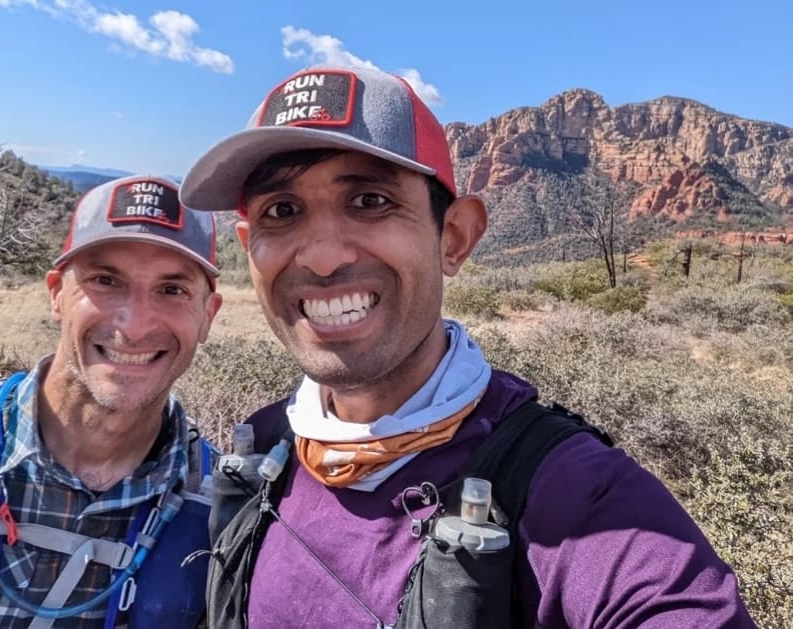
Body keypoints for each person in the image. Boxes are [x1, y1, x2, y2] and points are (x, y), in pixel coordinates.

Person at [180, 67, 756, 627]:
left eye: (370, 201)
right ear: (249, 248)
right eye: (282, 212)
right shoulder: (265, 448)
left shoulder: (573, 496)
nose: (321, 256)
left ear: (453, 238)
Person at [0, 175, 223, 628]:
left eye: (172, 289)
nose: (136, 324)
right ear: (57, 295)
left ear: (208, 316)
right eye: (105, 280)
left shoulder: (222, 506)